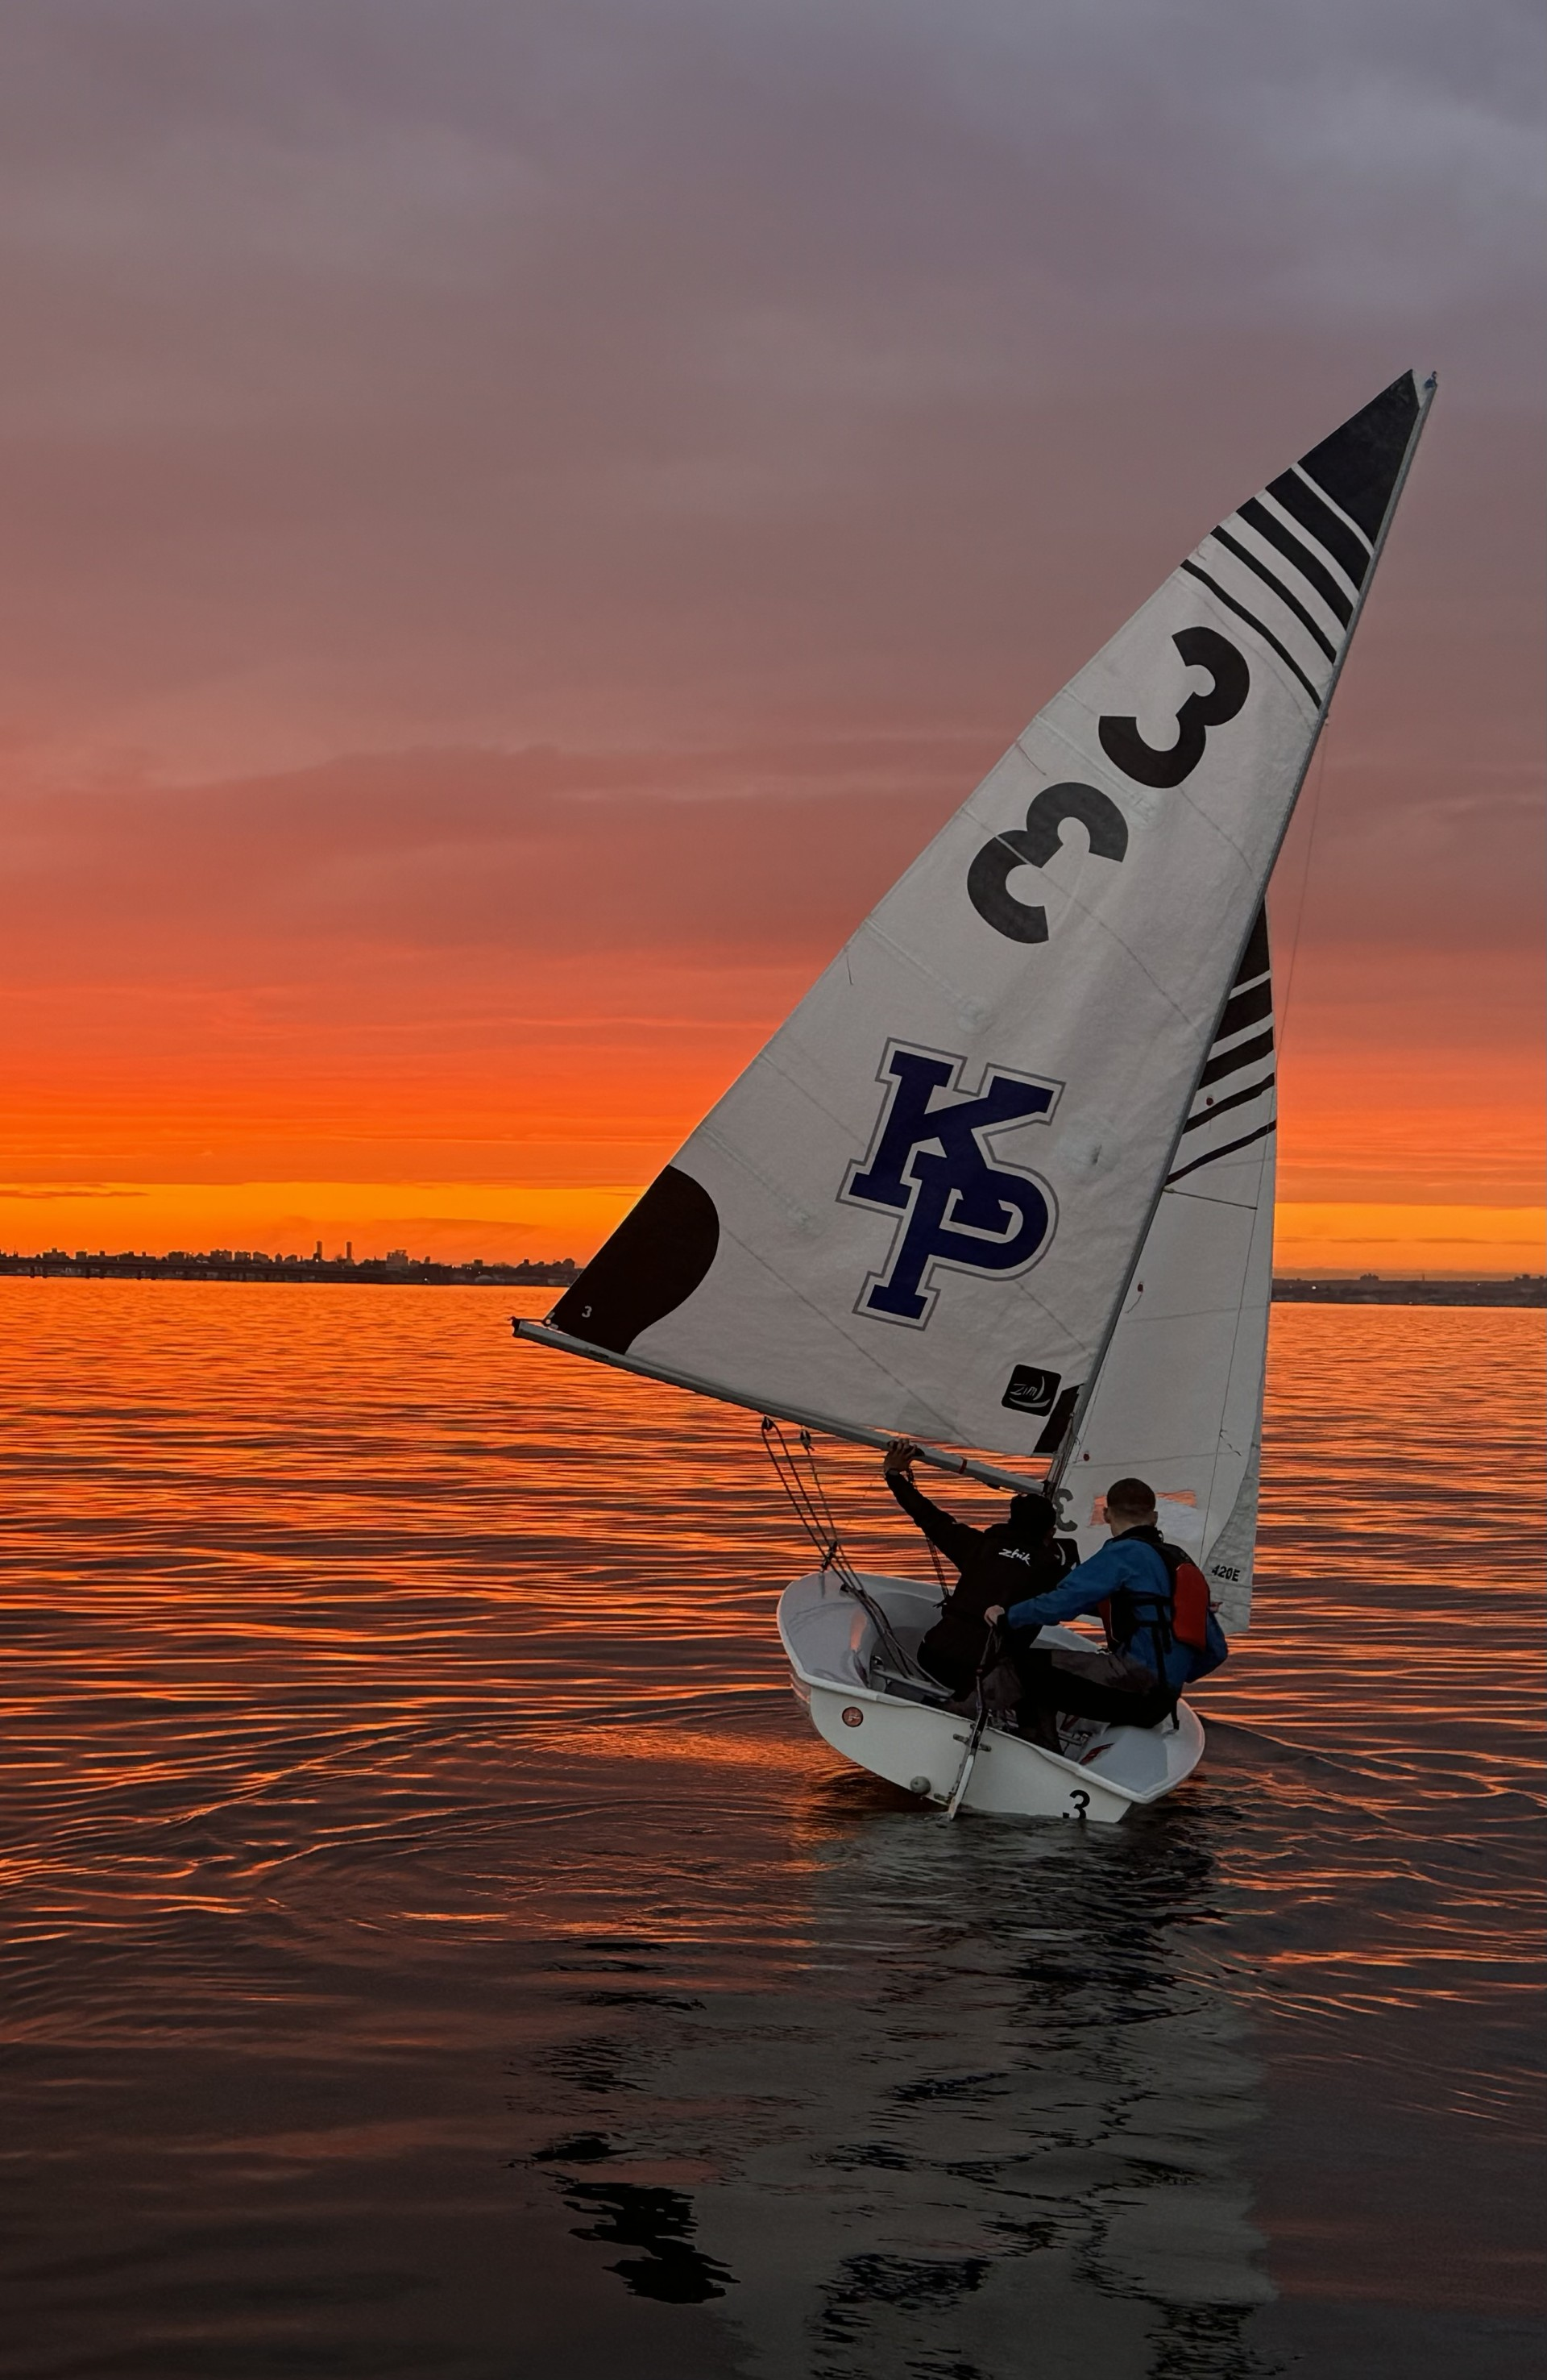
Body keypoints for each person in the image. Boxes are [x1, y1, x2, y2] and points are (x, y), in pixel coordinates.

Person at [985, 1475, 1227, 1751]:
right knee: (1044, 1673)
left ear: (1107, 1514)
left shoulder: (1123, 1553)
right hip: (1162, 1701)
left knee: (1018, 1665)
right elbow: (1215, 1651)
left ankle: (965, 1720)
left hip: (1131, 1689)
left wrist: (1008, 1617)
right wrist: (1170, 1673)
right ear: (1155, 1517)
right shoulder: (1179, 1564)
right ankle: (1042, 1746)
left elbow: (1061, 1603)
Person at [881, 1439, 1075, 1699]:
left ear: (1010, 1521)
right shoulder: (1051, 1571)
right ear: (1050, 1533)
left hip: (933, 1656)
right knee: (1034, 1670)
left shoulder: (978, 1546)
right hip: (984, 1672)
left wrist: (893, 1475)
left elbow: (929, 1516)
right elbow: (1087, 1598)